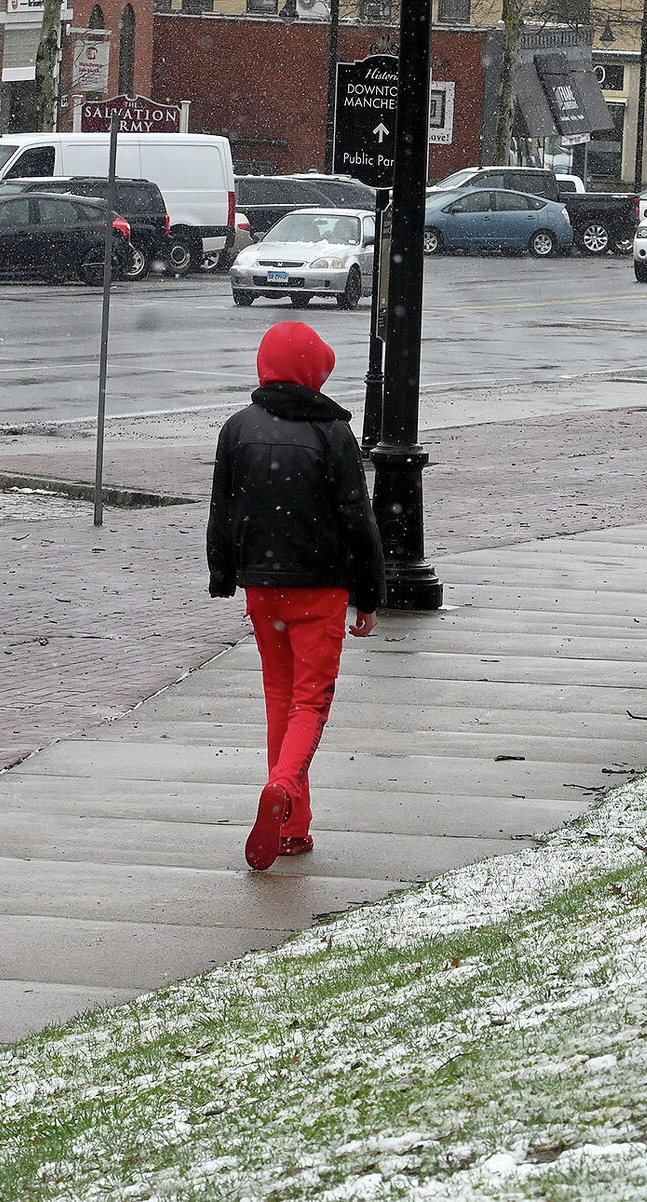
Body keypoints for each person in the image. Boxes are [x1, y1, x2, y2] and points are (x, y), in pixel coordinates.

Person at [207, 321, 386, 872]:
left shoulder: (237, 430)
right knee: (312, 701)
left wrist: (223, 572)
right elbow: (358, 519)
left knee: (279, 699)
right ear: (313, 373)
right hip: (321, 589)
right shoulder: (332, 435)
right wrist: (369, 593)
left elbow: (222, 510)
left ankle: (292, 825)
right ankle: (282, 790)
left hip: (263, 590)